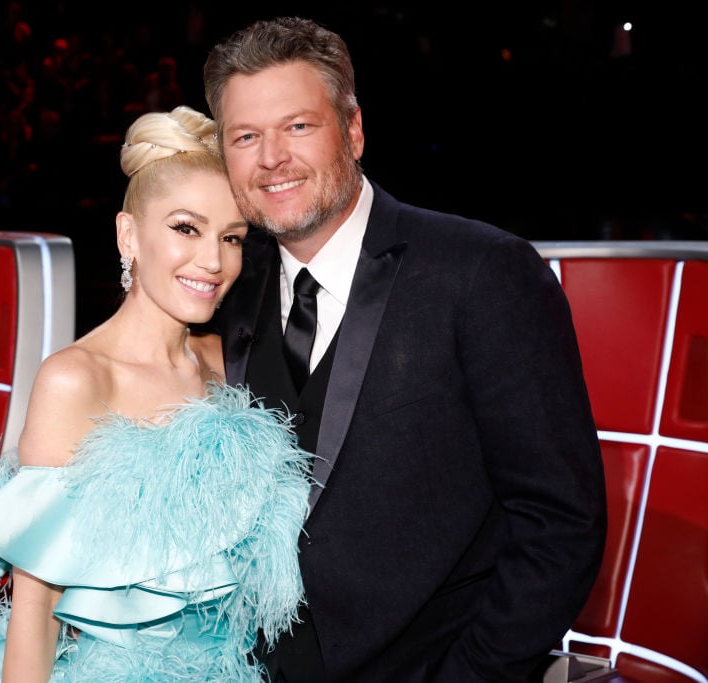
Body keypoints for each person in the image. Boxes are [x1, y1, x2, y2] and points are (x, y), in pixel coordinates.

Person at [200, 16, 608, 683]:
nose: (271, 157)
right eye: (246, 136)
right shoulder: (226, 293)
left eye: (298, 126)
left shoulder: (480, 272)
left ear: (354, 130)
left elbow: (560, 521)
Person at [0, 105, 312, 683]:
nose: (213, 261)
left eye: (231, 237)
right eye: (186, 228)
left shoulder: (225, 362)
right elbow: (37, 609)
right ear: (129, 234)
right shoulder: (76, 380)